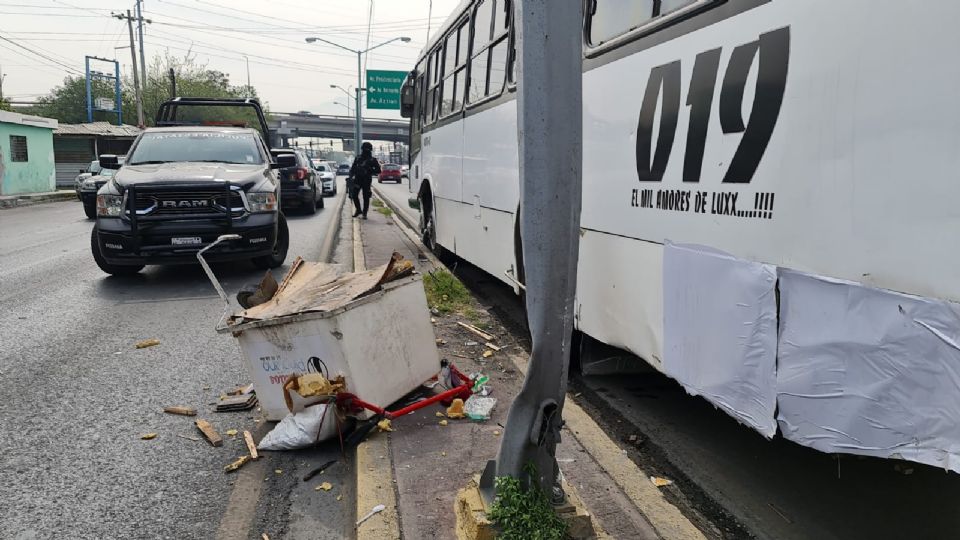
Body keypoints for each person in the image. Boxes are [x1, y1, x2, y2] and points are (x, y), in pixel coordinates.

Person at [348, 141, 381, 219]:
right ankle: (359, 210)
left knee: (366, 197)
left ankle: (364, 213)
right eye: (365, 149)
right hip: (358, 179)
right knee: (354, 195)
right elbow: (353, 168)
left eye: (367, 149)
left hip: (366, 180)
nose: (366, 151)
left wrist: (369, 169)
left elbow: (378, 171)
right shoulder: (358, 158)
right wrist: (350, 177)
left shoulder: (372, 160)